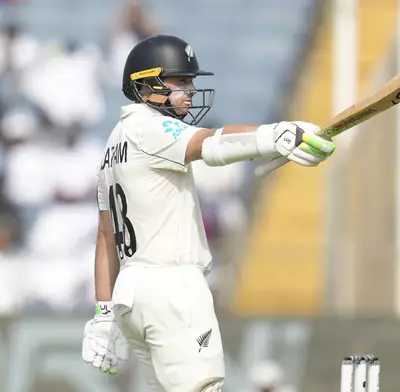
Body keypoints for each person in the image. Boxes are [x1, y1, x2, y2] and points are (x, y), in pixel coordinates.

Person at [81, 34, 335, 392]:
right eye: (180, 81)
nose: (190, 89)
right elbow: (209, 144)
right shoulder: (149, 126)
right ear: (144, 84)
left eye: (191, 81)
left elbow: (106, 236)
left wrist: (104, 313)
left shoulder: (113, 143)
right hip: (172, 287)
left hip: (131, 294)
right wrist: (275, 134)